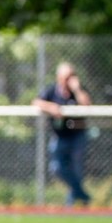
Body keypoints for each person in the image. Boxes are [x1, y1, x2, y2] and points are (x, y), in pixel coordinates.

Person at [33, 61, 92, 207]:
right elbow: (36, 102)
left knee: (76, 169)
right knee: (57, 168)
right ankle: (82, 194)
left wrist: (77, 90)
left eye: (72, 76)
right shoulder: (52, 90)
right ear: (59, 77)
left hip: (77, 135)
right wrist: (51, 107)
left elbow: (87, 105)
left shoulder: (78, 90)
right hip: (60, 136)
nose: (69, 80)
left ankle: (72, 203)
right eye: (66, 77)